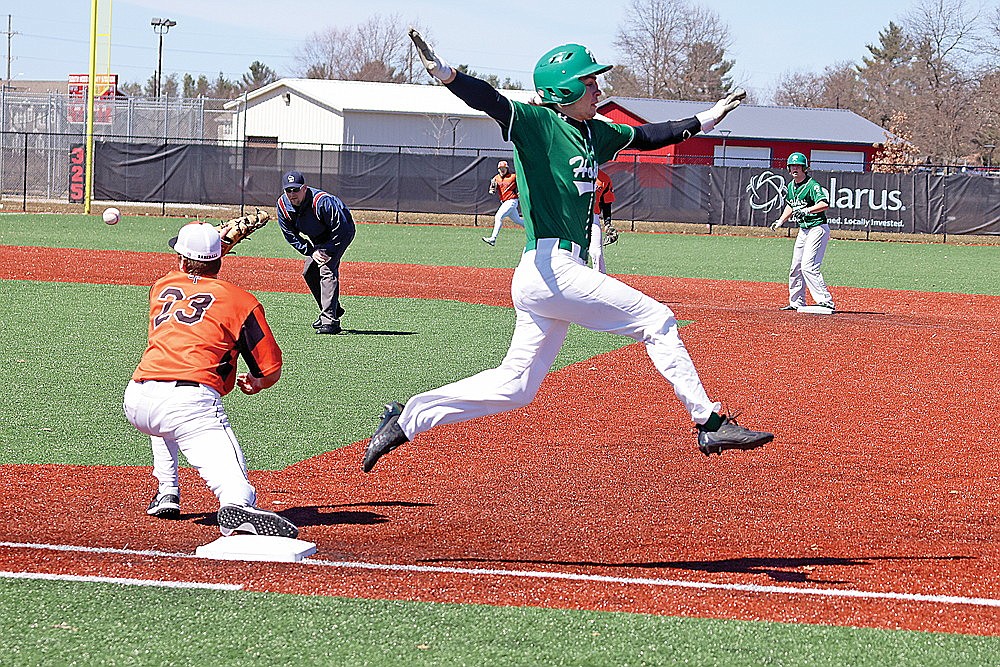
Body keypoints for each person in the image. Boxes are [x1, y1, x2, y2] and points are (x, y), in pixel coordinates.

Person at [361, 31, 773, 474]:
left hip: (553, 273)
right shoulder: (540, 125)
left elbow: (652, 136)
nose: (597, 88)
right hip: (549, 266)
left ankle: (407, 419)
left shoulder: (596, 133)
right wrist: (447, 76)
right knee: (658, 320)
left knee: (517, 387)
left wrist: (709, 116)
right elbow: (491, 101)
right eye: (588, 82)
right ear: (563, 90)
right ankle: (707, 421)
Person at [123, 222, 297, 538]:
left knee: (165, 422)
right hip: (188, 404)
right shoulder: (241, 300)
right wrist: (258, 383)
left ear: (180, 260)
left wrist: (213, 248)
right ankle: (239, 505)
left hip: (138, 397)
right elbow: (269, 367)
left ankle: (167, 490)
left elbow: (193, 276)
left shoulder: (161, 287)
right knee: (233, 484)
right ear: (220, 260)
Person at [276, 170, 356, 334]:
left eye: (296, 189)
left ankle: (330, 321)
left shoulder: (322, 202)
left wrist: (328, 251)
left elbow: (341, 229)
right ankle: (332, 308)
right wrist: (312, 251)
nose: (292, 194)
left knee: (327, 267)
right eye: (288, 190)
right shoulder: (283, 206)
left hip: (341, 233)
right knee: (309, 271)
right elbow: (290, 235)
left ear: (304, 188)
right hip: (317, 237)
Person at [770, 153, 835, 312]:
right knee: (796, 267)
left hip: (817, 228)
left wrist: (807, 210)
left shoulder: (812, 185)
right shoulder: (791, 186)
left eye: (798, 166)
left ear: (804, 168)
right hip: (804, 230)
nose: (795, 169)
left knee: (808, 266)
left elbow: (824, 203)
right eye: (792, 166)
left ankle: (825, 300)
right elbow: (791, 205)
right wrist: (781, 221)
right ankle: (797, 302)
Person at [482, 160, 524, 246]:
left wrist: (521, 190)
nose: (502, 170)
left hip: (512, 201)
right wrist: (492, 189)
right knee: (518, 220)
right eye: (500, 168)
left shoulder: (513, 176)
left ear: (507, 168)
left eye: (504, 168)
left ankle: (493, 238)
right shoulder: (496, 178)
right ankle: (534, 229)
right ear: (498, 169)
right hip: (504, 202)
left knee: (498, 217)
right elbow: (492, 189)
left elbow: (522, 182)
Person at [589, 168, 618, 274]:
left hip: (593, 218)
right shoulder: (573, 173)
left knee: (597, 253)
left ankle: (600, 281)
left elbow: (606, 203)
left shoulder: (603, 178)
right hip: (572, 217)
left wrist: (607, 223)